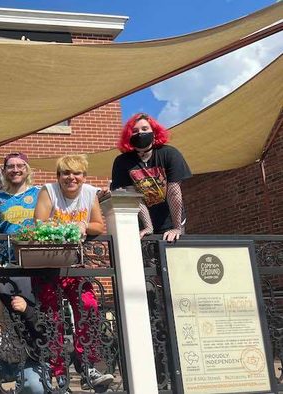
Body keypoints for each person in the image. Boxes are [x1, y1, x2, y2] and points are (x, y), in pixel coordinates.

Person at [33, 154, 114, 391]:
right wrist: (69, 227)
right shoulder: (48, 191)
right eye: (66, 173)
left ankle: (88, 365)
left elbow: (99, 225)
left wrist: (84, 225)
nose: (71, 178)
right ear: (58, 176)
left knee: (88, 307)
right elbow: (40, 222)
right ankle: (58, 372)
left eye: (76, 173)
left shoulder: (89, 193)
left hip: (76, 265)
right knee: (53, 316)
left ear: (84, 176)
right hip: (49, 263)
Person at [111, 113, 191, 242]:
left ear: (154, 132)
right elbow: (134, 196)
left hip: (171, 220)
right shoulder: (123, 161)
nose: (140, 133)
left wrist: (177, 228)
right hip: (142, 224)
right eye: (135, 131)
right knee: (149, 260)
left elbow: (174, 192)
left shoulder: (169, 154)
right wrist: (148, 227)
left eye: (145, 129)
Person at [0, 152, 39, 298]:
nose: (15, 169)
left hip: (33, 262)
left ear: (27, 169)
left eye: (19, 165)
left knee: (34, 310)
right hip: (5, 262)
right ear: (4, 171)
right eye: (10, 166)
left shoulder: (39, 193)